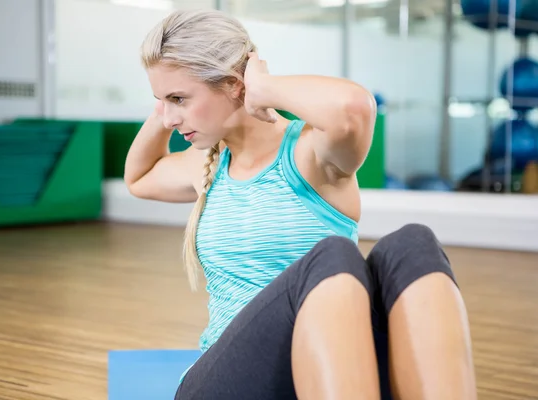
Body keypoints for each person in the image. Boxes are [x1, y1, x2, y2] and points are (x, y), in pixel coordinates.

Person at [124, 9, 477, 400]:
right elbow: (138, 178)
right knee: (332, 257)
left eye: (179, 99)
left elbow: (354, 110)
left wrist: (265, 86)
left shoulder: (310, 154)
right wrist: (165, 104)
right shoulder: (206, 165)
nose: (170, 118)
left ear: (232, 83)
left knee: (413, 242)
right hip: (226, 383)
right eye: (162, 102)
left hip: (332, 374)